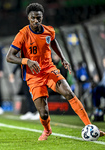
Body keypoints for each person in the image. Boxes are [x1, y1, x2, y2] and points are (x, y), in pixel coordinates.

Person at [6, 3, 105, 141]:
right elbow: (9, 57)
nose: (36, 21)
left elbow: (53, 42)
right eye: (33, 18)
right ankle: (47, 130)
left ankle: (89, 126)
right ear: (28, 18)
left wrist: (63, 58)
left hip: (49, 69)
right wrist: (26, 61)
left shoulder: (49, 31)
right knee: (44, 113)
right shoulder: (22, 34)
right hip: (33, 76)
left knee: (69, 92)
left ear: (42, 17)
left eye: (39, 18)